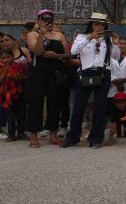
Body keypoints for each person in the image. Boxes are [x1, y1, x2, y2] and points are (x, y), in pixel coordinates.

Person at [62, 12, 115, 150]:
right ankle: (72, 137)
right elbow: (73, 51)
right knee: (79, 106)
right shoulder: (81, 37)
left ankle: (96, 138)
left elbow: (114, 56)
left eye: (101, 24)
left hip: (103, 73)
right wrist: (89, 38)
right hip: (85, 72)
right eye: (96, 23)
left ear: (105, 25)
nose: (98, 26)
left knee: (99, 108)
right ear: (91, 24)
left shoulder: (108, 39)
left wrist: (113, 41)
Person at [25, 9, 70, 148]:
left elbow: (68, 56)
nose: (47, 21)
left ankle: (53, 134)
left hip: (55, 71)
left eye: (49, 19)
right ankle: (33, 136)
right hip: (37, 71)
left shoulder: (59, 35)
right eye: (44, 19)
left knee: (55, 102)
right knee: (36, 102)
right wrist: (42, 34)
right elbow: (37, 52)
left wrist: (56, 55)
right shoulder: (32, 34)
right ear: (38, 20)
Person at [0, 48, 28, 141]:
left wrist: (19, 77)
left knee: (21, 114)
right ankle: (11, 135)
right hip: (7, 96)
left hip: (19, 93)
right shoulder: (1, 67)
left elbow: (23, 77)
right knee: (10, 116)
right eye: (3, 58)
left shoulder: (18, 66)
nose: (6, 60)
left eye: (8, 57)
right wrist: (5, 71)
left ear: (12, 57)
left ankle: (21, 133)